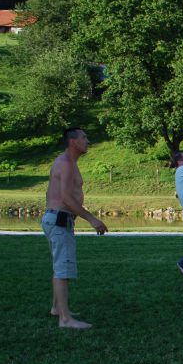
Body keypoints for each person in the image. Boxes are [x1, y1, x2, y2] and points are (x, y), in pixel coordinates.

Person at [42, 127, 108, 329]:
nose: (88, 141)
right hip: (59, 219)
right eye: (84, 138)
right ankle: (65, 319)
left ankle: (57, 309)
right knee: (63, 268)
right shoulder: (66, 163)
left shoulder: (67, 162)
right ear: (73, 142)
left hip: (59, 218)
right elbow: (65, 198)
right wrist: (91, 219)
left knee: (61, 265)